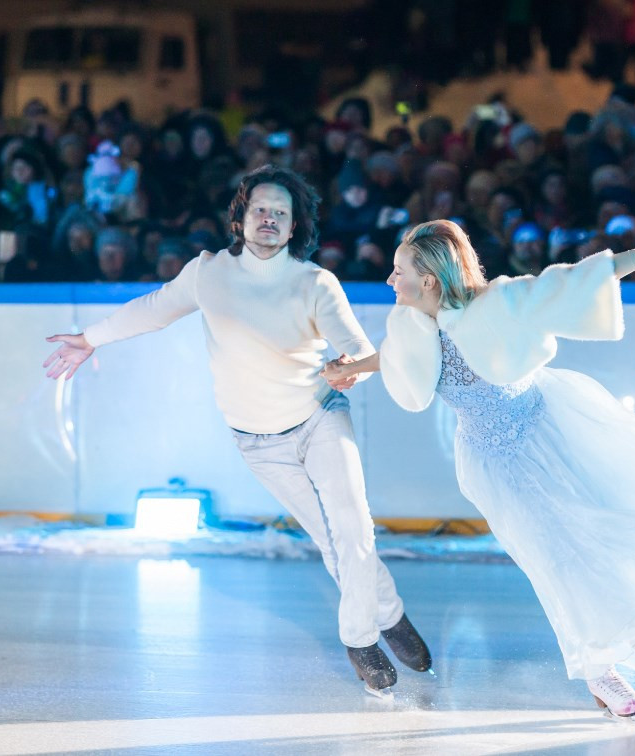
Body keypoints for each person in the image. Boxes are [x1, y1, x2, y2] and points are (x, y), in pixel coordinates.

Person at [321, 217, 635, 717]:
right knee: (554, 562)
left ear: (428, 280)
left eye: (397, 271)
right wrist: (349, 368)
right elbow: (394, 358)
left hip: (553, 428)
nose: (388, 280)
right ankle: (598, 669)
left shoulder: (500, 301)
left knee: (604, 538)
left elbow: (587, 277)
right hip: (495, 461)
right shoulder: (411, 325)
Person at [41, 165, 430, 696]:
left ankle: (360, 640)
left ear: (294, 228)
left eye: (281, 213)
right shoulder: (208, 273)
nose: (269, 219)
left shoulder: (315, 282)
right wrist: (90, 338)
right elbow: (153, 311)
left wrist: (351, 365)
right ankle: (390, 614)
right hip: (258, 442)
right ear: (241, 218)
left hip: (319, 417)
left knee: (353, 529)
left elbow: (357, 350)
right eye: (261, 209)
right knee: (331, 541)